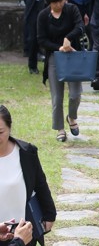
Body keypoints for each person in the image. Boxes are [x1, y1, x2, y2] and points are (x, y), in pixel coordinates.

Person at [0, 105, 56, 246]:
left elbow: (40, 183)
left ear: (9, 128)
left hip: (23, 231)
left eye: (0, 132)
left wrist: (49, 214)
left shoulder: (26, 152)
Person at [37, 0, 84, 142]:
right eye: (54, 2)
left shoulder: (72, 9)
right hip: (54, 57)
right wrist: (58, 47)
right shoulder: (43, 15)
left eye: (60, 1)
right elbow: (41, 40)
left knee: (75, 94)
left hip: (73, 55)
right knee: (57, 97)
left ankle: (72, 117)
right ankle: (60, 129)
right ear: (49, 2)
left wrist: (68, 39)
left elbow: (80, 27)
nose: (58, 5)